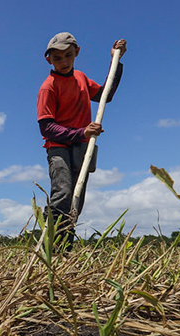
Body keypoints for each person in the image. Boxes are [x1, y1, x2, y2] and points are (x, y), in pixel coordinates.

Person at [37, 32, 127, 251]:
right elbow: (46, 127)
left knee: (76, 199)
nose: (64, 62)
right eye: (58, 58)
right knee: (63, 192)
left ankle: (65, 249)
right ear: (49, 59)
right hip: (59, 146)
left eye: (68, 55)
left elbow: (105, 95)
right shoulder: (49, 87)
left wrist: (116, 59)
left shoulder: (81, 79)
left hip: (82, 146)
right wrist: (81, 132)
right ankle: (50, 247)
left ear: (77, 52)